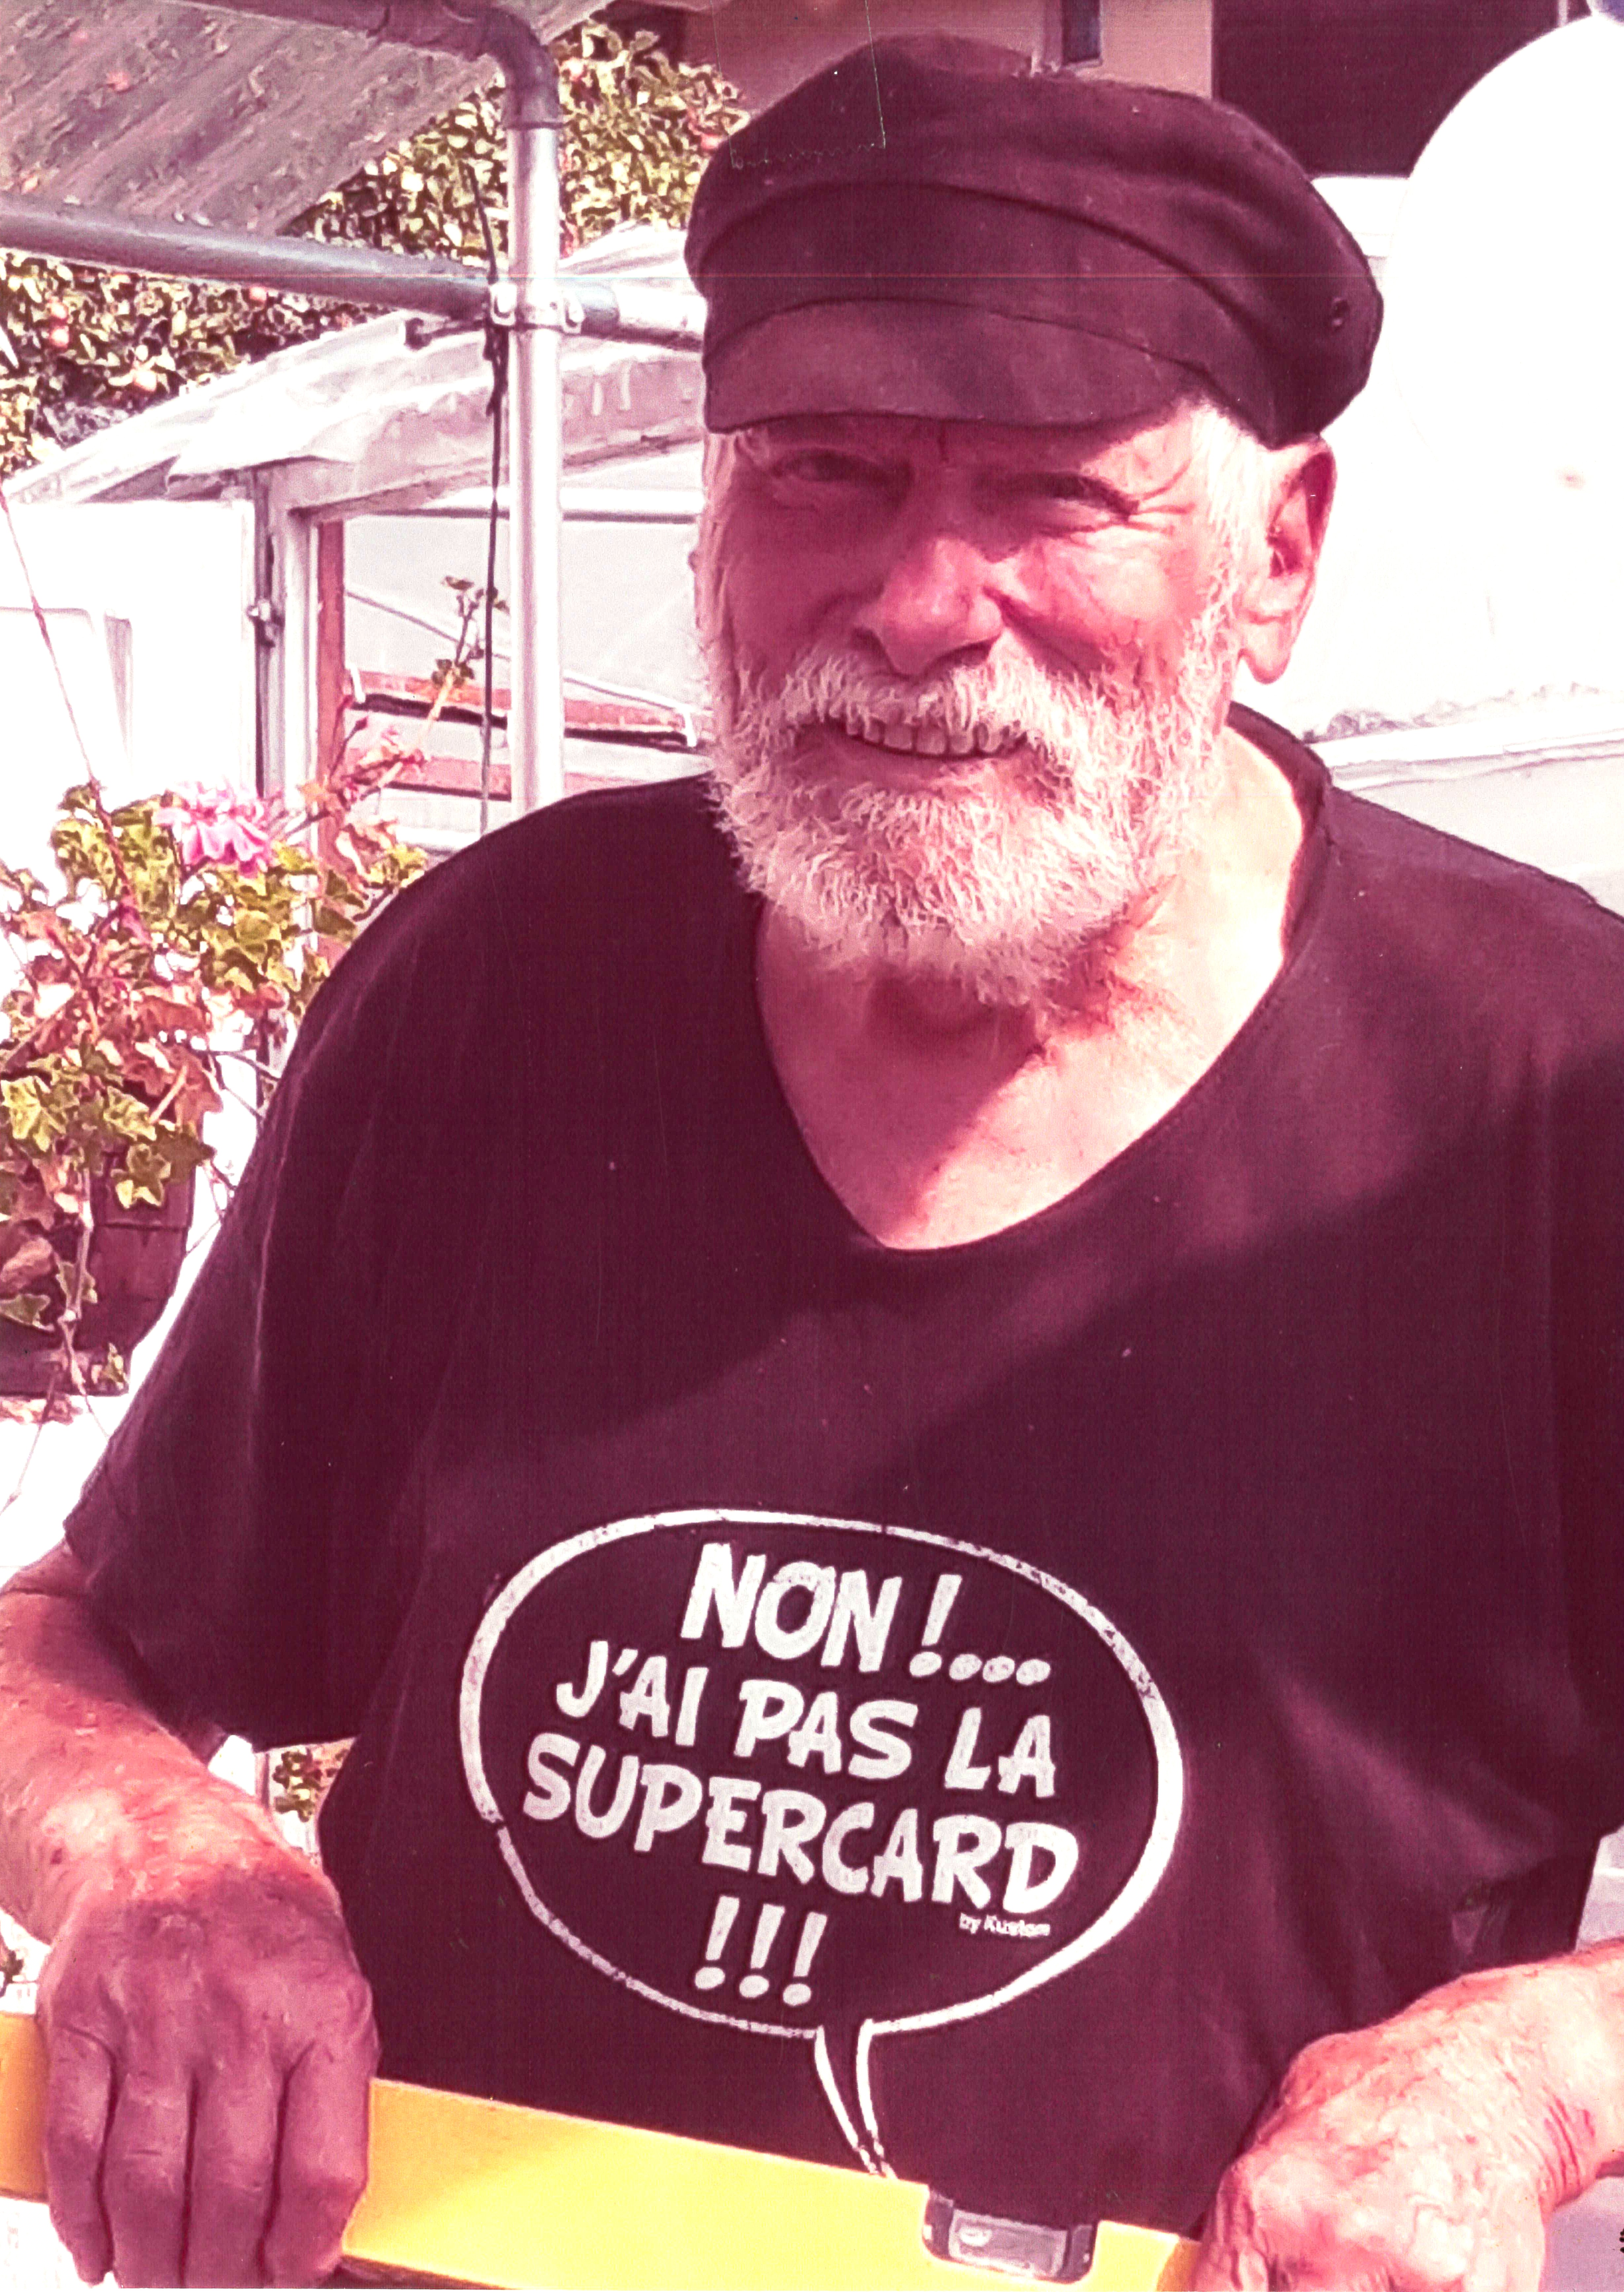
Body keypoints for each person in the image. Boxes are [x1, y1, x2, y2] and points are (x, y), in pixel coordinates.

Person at [3, 33, 1623, 2292]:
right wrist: (156, 1851)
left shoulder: (1551, 1101)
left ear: (1280, 554)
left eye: (1055, 494)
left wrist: (1531, 2068)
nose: (920, 600)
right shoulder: (499, 991)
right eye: (827, 471)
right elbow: (74, 1640)